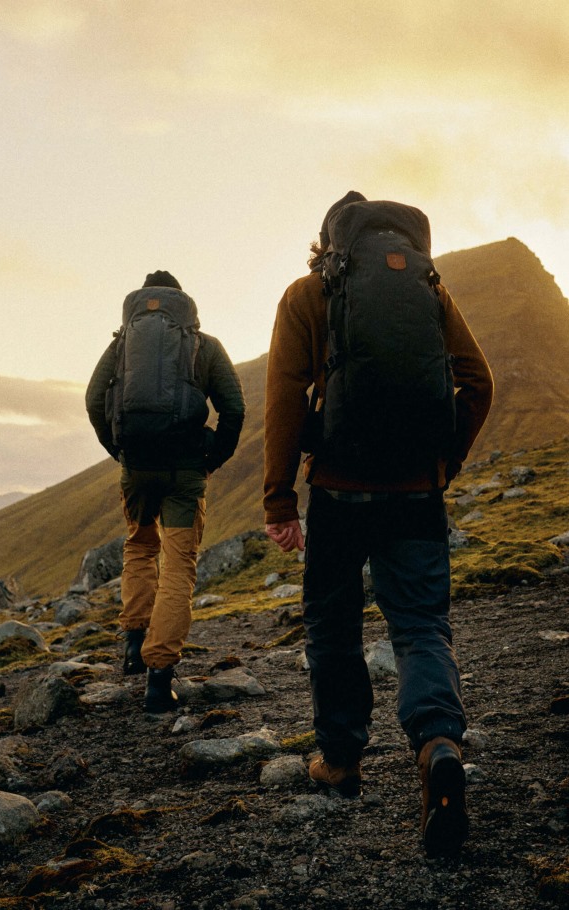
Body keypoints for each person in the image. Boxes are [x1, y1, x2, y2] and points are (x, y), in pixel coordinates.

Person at [263, 193, 493, 857]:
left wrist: (279, 498)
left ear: (328, 244)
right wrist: (445, 461)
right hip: (416, 493)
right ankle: (439, 743)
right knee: (421, 627)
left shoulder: (308, 295)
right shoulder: (431, 290)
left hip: (337, 494)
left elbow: (283, 398)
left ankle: (340, 760)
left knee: (332, 627)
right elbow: (478, 382)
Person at [87, 271, 245, 712]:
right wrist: (213, 457)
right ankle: (160, 678)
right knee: (177, 566)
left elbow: (93, 397)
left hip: (136, 468)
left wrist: (116, 448)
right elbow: (234, 406)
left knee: (139, 547)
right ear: (183, 302)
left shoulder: (122, 344)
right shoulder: (202, 344)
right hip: (184, 472)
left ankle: (134, 644)